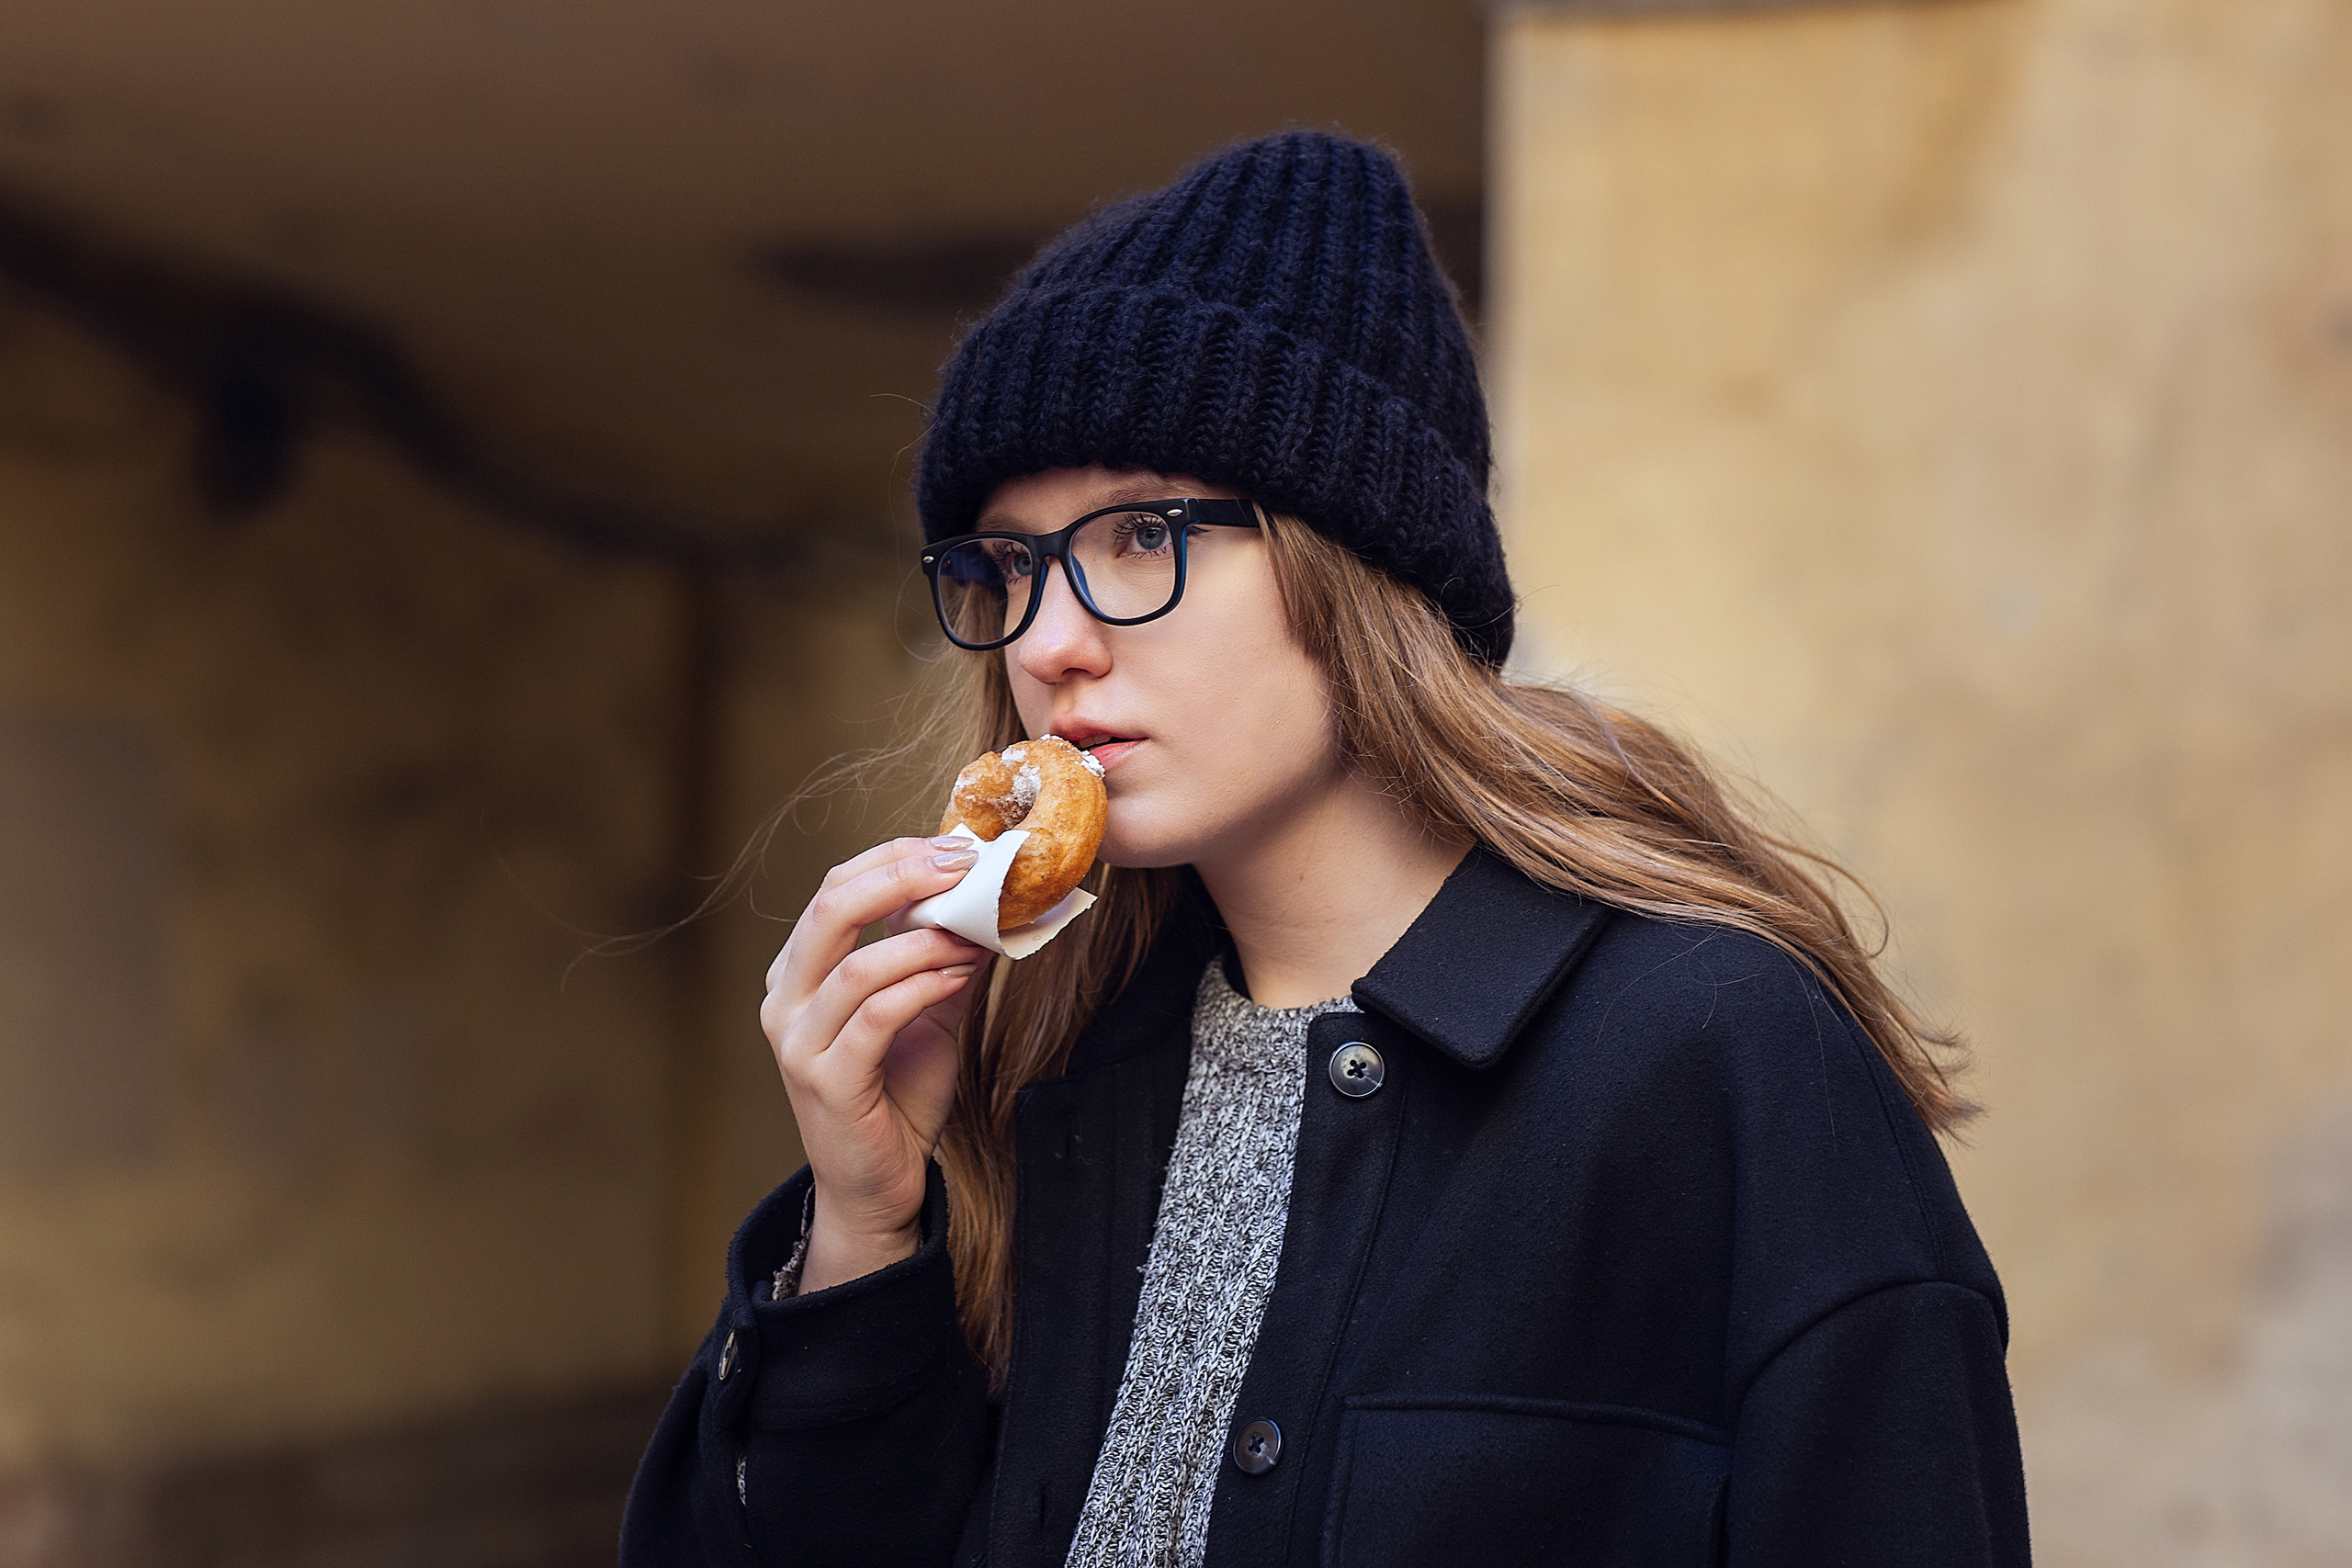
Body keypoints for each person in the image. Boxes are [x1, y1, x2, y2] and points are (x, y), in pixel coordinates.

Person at [621, 131, 2029, 1567]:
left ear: (1356, 565)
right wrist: (865, 1230)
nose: (1049, 643)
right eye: (1010, 564)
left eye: (1139, 537)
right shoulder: (1028, 1070)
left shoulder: (1719, 1054)